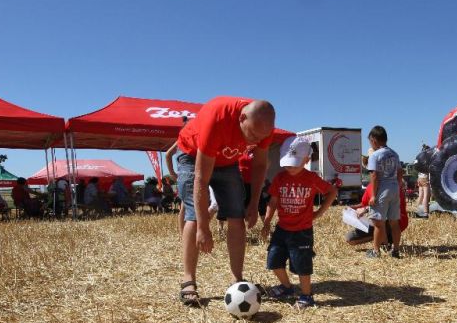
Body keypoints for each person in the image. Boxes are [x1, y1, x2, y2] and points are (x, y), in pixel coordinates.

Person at [175, 96, 276, 305]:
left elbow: (259, 167)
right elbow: (201, 180)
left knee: (236, 216)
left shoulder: (263, 128)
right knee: (194, 216)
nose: (255, 142)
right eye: (252, 135)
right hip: (192, 155)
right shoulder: (217, 118)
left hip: (227, 162)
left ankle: (238, 279)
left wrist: (253, 203)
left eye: (261, 137)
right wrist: (204, 227)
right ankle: (188, 281)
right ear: (242, 118)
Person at [260, 137, 336, 309]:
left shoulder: (311, 178)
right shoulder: (280, 178)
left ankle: (306, 295)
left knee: (302, 266)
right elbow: (272, 202)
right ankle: (287, 288)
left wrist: (318, 213)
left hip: (302, 231)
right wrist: (266, 223)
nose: (289, 167)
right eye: (287, 163)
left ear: (306, 160)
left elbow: (331, 192)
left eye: (293, 163)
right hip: (282, 229)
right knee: (273, 262)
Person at [365, 126, 404, 258]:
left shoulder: (374, 156)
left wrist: (373, 195)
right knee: (394, 222)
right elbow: (400, 172)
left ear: (374, 140)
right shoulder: (395, 154)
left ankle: (375, 252)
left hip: (382, 189)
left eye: (370, 141)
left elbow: (374, 176)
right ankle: (396, 251)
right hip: (394, 188)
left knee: (378, 223)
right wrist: (397, 187)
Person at [346, 182, 408, 247]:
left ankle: (384, 245)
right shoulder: (370, 186)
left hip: (394, 222)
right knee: (350, 238)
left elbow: (385, 207)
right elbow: (364, 204)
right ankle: (380, 238)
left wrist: (366, 209)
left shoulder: (392, 186)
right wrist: (352, 208)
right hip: (376, 221)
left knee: (381, 218)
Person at [413, 143, 433, 218]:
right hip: (425, 178)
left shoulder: (420, 158)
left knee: (420, 195)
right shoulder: (428, 159)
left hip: (419, 178)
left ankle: (417, 210)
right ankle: (425, 212)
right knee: (426, 196)